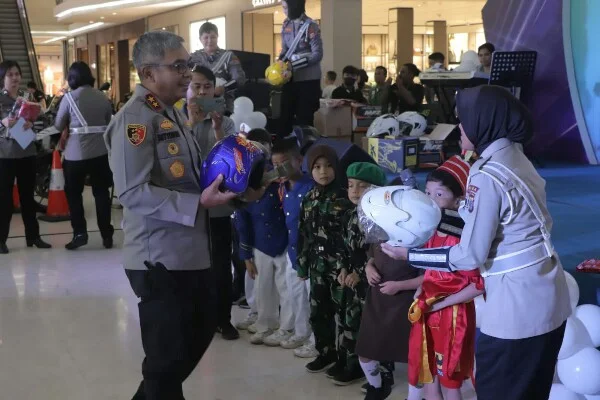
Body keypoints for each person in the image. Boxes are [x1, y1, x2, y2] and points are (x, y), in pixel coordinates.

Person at [381, 85, 571, 400]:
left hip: (516, 309)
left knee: (500, 390)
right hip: (548, 296)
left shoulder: (488, 175)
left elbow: (469, 256)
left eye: (464, 119)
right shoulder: (515, 157)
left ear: (485, 121)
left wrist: (412, 255)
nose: (459, 127)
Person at [103, 31, 237, 399]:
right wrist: (197, 205)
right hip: (159, 260)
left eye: (187, 65)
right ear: (148, 73)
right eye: (177, 66)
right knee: (166, 365)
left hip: (190, 253)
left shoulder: (171, 114)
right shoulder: (135, 120)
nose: (185, 74)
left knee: (182, 351)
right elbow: (132, 191)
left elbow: (189, 177)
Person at [407, 155, 485, 400]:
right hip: (429, 310)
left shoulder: (464, 238)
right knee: (429, 369)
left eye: (439, 194)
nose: (431, 200)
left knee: (449, 377)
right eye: (428, 193)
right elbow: (430, 271)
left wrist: (442, 303)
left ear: (459, 198)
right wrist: (422, 291)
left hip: (453, 315)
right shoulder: (433, 229)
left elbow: (478, 285)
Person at [185, 64, 239, 340]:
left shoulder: (226, 122)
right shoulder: (175, 119)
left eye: (207, 86)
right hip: (187, 207)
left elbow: (230, 163)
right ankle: (196, 319)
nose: (202, 91)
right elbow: (179, 161)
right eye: (196, 86)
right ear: (188, 88)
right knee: (189, 264)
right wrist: (192, 124)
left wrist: (217, 130)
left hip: (218, 206)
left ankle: (223, 318)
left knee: (220, 264)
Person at [297, 144, 353, 375]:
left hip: (339, 268)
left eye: (329, 166)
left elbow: (352, 236)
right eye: (318, 167)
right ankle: (326, 352)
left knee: (343, 314)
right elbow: (303, 234)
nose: (323, 172)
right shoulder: (308, 198)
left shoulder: (345, 197)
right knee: (319, 312)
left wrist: (348, 266)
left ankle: (346, 359)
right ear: (310, 169)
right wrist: (302, 265)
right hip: (317, 266)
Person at [234, 129, 293, 346]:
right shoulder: (243, 182)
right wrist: (246, 254)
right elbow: (242, 221)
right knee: (262, 287)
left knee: (286, 289)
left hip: (284, 243)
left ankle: (287, 327)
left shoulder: (281, 179)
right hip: (260, 244)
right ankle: (264, 324)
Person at [335, 162, 388, 387]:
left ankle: (383, 373)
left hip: (372, 282)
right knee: (352, 323)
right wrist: (343, 268)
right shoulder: (348, 215)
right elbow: (344, 248)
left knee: (375, 328)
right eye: (351, 185)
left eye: (363, 186)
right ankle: (358, 367)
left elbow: (378, 253)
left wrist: (359, 272)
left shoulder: (380, 218)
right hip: (352, 283)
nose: (355, 191)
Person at [54, 61, 114, 250]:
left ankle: (80, 233)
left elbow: (57, 124)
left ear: (72, 78)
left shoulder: (69, 98)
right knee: (101, 193)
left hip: (75, 155)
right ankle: (106, 234)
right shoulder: (103, 97)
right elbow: (108, 121)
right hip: (100, 153)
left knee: (74, 194)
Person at [271, 138, 318, 356]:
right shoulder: (283, 189)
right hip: (292, 251)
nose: (279, 169)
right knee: (295, 294)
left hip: (310, 253)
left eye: (284, 163)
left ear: (299, 161)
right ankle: (301, 332)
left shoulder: (311, 187)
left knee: (312, 297)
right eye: (275, 165)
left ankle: (317, 340)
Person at [0, 60, 51, 254]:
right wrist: (4, 122)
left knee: (28, 197)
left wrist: (31, 124)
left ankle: (34, 237)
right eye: (10, 75)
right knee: (4, 199)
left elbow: (42, 123)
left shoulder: (26, 97)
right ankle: (1, 240)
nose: (14, 78)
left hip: (26, 151)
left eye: (17, 74)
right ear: (3, 78)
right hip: (4, 155)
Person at [279, 0, 323, 135]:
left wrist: (294, 64)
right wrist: (280, 61)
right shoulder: (286, 25)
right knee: (285, 118)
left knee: (304, 120)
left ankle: (305, 152)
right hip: (290, 79)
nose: (284, 11)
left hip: (308, 81)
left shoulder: (311, 26)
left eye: (286, 7)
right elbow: (285, 50)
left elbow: (317, 54)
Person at [189, 22, 246, 113]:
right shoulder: (194, 57)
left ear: (217, 37)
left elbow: (239, 79)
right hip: (199, 104)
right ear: (200, 39)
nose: (209, 40)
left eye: (213, 37)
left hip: (223, 104)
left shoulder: (228, 56)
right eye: (206, 37)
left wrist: (223, 88)